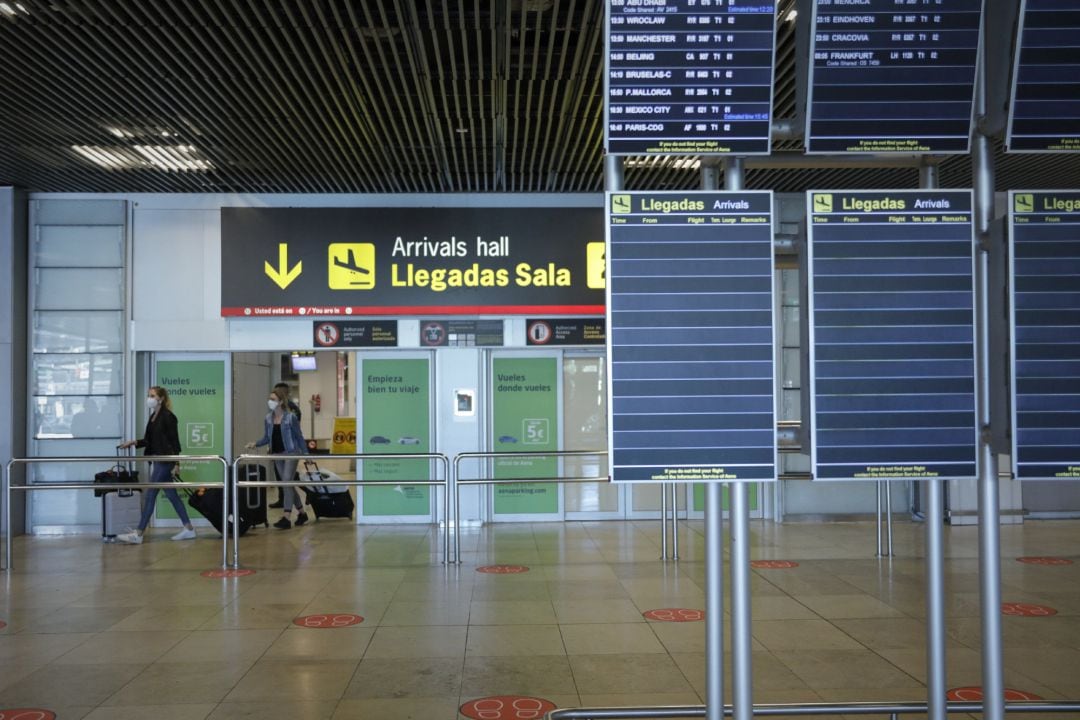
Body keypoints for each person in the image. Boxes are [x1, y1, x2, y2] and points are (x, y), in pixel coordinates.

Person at [116, 386, 196, 544]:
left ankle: (138, 533)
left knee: (151, 494)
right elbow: (148, 440)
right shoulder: (153, 417)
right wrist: (133, 442)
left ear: (161, 399)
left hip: (164, 461)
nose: (149, 398)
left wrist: (176, 463)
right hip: (158, 460)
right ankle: (189, 529)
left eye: (152, 395)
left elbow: (175, 442)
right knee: (172, 496)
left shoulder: (168, 417)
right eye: (148, 395)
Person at [247, 388, 309, 529]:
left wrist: (306, 455)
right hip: (277, 454)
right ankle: (302, 513)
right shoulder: (268, 418)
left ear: (281, 401)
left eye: (273, 399)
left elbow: (299, 437)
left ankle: (286, 517)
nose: (270, 401)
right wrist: (255, 443)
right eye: (270, 399)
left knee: (287, 481)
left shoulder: (290, 418)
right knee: (287, 485)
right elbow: (267, 437)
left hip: (291, 453)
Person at [269, 382, 302, 508]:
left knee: (288, 480)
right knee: (285, 480)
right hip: (279, 450)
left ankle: (287, 511)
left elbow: (295, 432)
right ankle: (298, 510)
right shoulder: (274, 411)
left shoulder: (292, 409)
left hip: (289, 449)